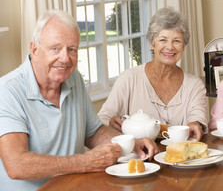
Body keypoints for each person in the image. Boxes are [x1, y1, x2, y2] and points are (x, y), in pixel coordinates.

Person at [0, 10, 159, 191]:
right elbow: (16, 165)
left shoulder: (73, 78)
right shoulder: (7, 91)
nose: (65, 58)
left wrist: (131, 143)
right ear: (34, 49)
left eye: (72, 49)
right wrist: (85, 162)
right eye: (55, 48)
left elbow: (92, 132)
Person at [98, 7, 208, 140]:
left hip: (181, 158)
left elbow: (198, 117)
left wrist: (195, 124)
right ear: (151, 43)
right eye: (163, 40)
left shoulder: (194, 85)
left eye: (177, 41)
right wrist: (110, 124)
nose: (170, 47)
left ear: (183, 46)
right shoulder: (129, 79)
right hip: (139, 158)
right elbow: (102, 119)